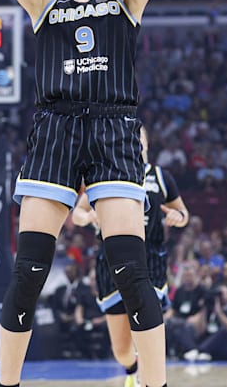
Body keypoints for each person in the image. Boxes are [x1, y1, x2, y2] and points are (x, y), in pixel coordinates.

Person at [0, 0, 164, 387]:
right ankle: (7, 384)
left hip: (114, 132)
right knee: (28, 273)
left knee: (133, 272)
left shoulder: (125, 0)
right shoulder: (44, 3)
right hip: (55, 132)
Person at [73, 125, 188, 383]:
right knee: (122, 350)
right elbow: (77, 214)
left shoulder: (161, 177)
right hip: (112, 262)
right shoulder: (102, 173)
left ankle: (148, 380)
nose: (135, 141)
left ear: (146, 142)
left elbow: (183, 213)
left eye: (139, 136)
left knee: (147, 334)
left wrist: (177, 217)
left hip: (150, 263)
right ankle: (133, 371)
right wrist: (91, 215)